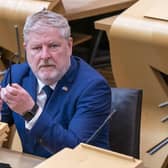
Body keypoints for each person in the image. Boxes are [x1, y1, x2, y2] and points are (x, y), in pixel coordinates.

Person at [0, 10, 111, 158]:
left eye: (53, 46)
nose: (45, 56)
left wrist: (31, 112)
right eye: (37, 48)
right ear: (26, 49)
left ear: (69, 45)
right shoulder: (17, 75)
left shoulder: (93, 88)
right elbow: (3, 122)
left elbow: (76, 153)